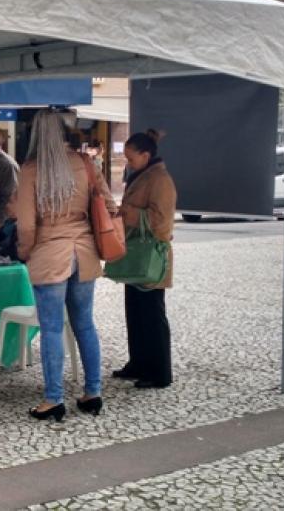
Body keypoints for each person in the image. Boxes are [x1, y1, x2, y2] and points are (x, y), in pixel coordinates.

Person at [14, 109, 116, 421]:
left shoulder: (31, 170)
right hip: (84, 251)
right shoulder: (86, 162)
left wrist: (24, 251)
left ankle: (54, 399)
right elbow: (110, 205)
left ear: (36, 134)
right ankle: (93, 392)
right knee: (85, 324)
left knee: (52, 328)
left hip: (49, 252)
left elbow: (26, 225)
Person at [114, 132, 177, 389]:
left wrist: (127, 213)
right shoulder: (142, 175)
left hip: (151, 257)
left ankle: (159, 372)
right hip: (136, 255)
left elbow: (161, 222)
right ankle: (138, 363)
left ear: (145, 155)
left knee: (152, 314)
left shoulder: (160, 180)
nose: (127, 163)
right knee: (135, 312)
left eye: (130, 158)